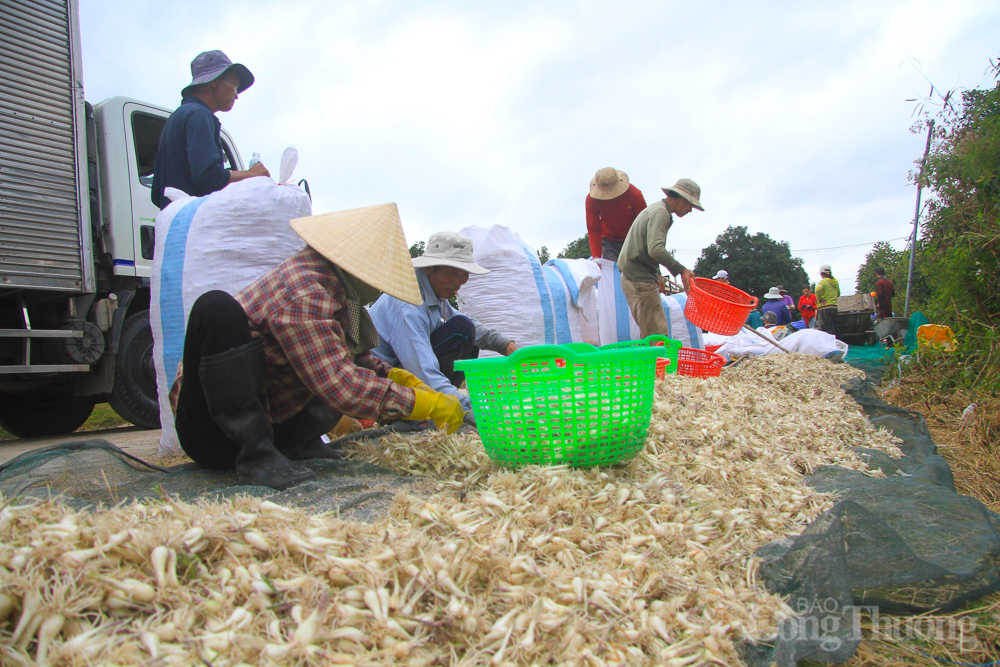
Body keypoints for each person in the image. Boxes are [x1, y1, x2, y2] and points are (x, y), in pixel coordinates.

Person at [169, 204, 464, 490]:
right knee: (216, 308)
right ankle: (255, 456)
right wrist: (424, 404)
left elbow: (358, 362)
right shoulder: (305, 289)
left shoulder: (340, 295)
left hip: (276, 424)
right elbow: (342, 385)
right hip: (214, 433)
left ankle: (298, 445)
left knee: (330, 362)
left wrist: (401, 380)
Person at [369, 232, 517, 416]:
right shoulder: (409, 304)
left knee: (466, 331)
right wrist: (468, 408)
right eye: (451, 274)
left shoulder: (434, 294)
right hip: (380, 384)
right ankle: (426, 412)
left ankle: (442, 405)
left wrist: (505, 345)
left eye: (464, 275)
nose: (458, 283)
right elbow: (422, 370)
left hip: (403, 374)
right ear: (429, 268)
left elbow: (469, 325)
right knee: (461, 330)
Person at [151, 50, 270, 209]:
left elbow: (157, 193)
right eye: (235, 84)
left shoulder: (177, 118)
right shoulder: (200, 115)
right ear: (215, 80)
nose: (236, 95)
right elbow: (208, 176)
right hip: (195, 224)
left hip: (172, 224)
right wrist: (250, 174)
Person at [618, 179, 703, 338]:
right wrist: (682, 270)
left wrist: (657, 273)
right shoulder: (660, 213)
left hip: (637, 275)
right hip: (638, 278)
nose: (690, 210)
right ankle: (656, 363)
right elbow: (656, 249)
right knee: (656, 336)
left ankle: (652, 362)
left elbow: (646, 247)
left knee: (652, 332)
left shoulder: (657, 210)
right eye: (691, 205)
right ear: (682, 199)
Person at [585, 167, 648, 261]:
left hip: (634, 238)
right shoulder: (592, 200)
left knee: (638, 271)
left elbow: (645, 224)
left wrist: (646, 250)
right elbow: (594, 229)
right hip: (609, 241)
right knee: (612, 271)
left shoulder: (634, 194)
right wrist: (596, 257)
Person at [815, 264, 841, 336]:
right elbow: (838, 293)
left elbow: (817, 290)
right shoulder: (835, 282)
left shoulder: (822, 282)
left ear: (822, 274)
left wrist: (819, 299)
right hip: (834, 307)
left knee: (829, 328)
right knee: (835, 326)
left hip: (824, 307)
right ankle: (839, 341)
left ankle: (833, 343)